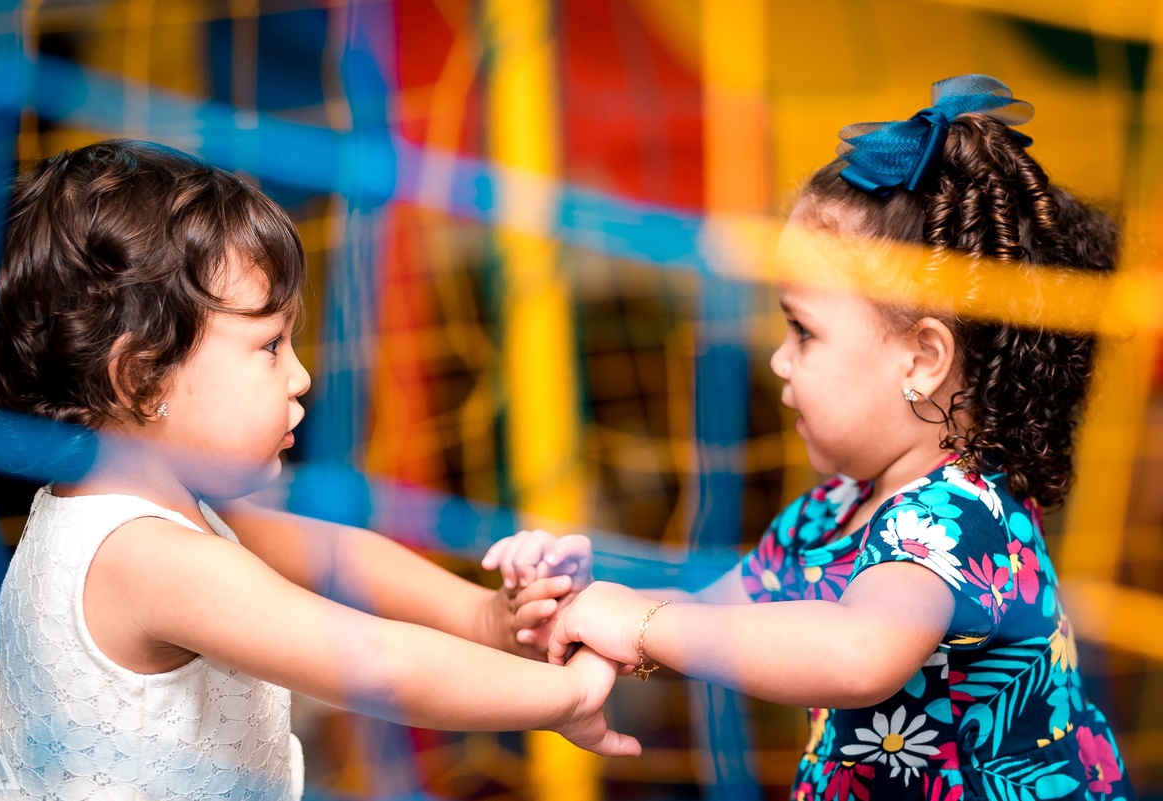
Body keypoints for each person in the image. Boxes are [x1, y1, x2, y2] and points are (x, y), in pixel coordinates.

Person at [484, 75, 1135, 799]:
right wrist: (587, 598)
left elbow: (858, 653)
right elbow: (713, 617)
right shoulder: (831, 510)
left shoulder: (963, 518)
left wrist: (639, 622)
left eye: (804, 331)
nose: (778, 359)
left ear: (922, 360)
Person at [0, 139, 638, 801]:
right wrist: (567, 695)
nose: (301, 376)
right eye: (269, 346)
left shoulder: (159, 505)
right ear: (142, 378)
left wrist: (488, 616)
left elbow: (334, 555)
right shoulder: (143, 555)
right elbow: (372, 663)